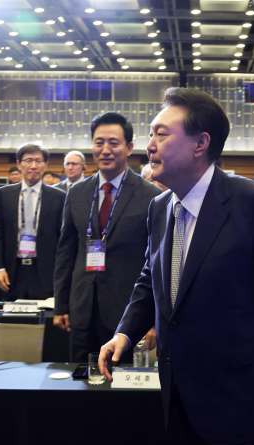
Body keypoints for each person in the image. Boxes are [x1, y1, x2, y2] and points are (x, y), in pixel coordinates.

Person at [98, 87, 254, 445]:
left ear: (200, 144)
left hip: (239, 393)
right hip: (176, 388)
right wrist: (125, 332)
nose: (149, 144)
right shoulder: (160, 207)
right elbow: (149, 278)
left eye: (161, 134)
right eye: (150, 134)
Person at [53, 112, 161, 363]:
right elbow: (66, 253)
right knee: (80, 385)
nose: (105, 150)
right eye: (99, 142)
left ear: (129, 147)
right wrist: (61, 305)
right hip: (81, 311)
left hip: (128, 317)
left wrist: (152, 319)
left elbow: (158, 264)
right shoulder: (77, 193)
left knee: (119, 393)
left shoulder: (150, 196)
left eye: (114, 143)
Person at [0, 143, 66, 301]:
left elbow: (62, 239)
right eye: (28, 160)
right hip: (11, 271)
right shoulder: (4, 194)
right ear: (19, 164)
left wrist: (60, 273)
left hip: (45, 272)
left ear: (45, 165)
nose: (33, 166)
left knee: (43, 321)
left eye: (38, 161)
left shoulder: (59, 197)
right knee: (11, 321)